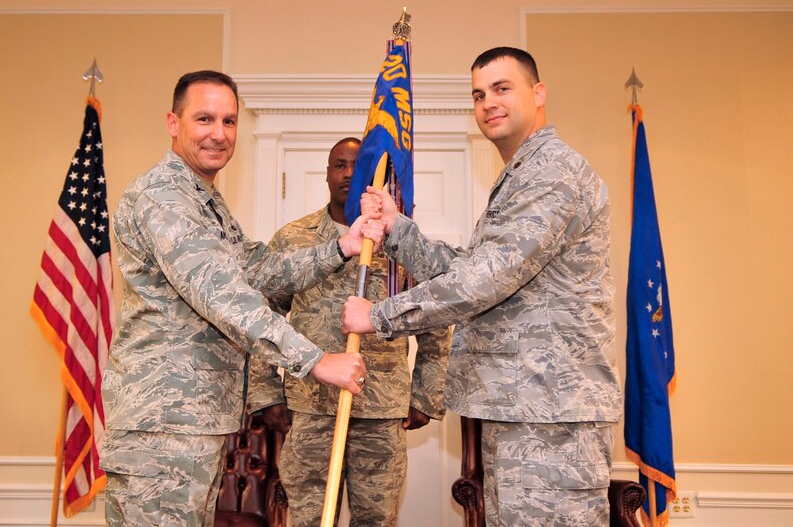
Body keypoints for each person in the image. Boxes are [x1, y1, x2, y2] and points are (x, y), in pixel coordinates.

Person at [343, 47, 622, 526]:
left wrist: (379, 316)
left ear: (538, 94)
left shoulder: (552, 172)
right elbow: (473, 267)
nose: (488, 102)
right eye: (478, 94)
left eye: (501, 88)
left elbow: (485, 280)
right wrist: (398, 228)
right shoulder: (520, 174)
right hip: (525, 408)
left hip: (549, 417)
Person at [100, 70, 384, 526]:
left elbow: (258, 270)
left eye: (229, 121)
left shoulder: (204, 199)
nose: (219, 134)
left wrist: (341, 247)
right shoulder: (165, 196)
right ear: (173, 123)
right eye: (204, 119)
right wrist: (315, 361)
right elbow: (221, 293)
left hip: (195, 420)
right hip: (163, 424)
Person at [247, 137, 450, 527]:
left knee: (375, 519)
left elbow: (435, 320)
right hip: (310, 405)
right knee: (308, 518)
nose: (348, 174)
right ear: (326, 174)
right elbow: (263, 314)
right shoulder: (294, 238)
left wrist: (425, 394)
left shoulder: (401, 241)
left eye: (359, 166)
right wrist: (266, 391)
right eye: (339, 165)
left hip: (381, 407)